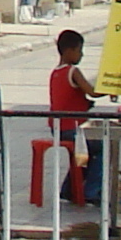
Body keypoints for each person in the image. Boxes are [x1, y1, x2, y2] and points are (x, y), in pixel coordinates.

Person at [48, 26, 104, 206]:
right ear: (69, 51)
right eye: (80, 50)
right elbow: (92, 92)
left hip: (58, 127)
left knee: (83, 154)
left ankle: (69, 189)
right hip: (71, 129)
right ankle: (92, 191)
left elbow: (69, 98)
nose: (82, 54)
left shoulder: (56, 72)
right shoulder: (73, 71)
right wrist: (110, 88)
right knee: (100, 148)